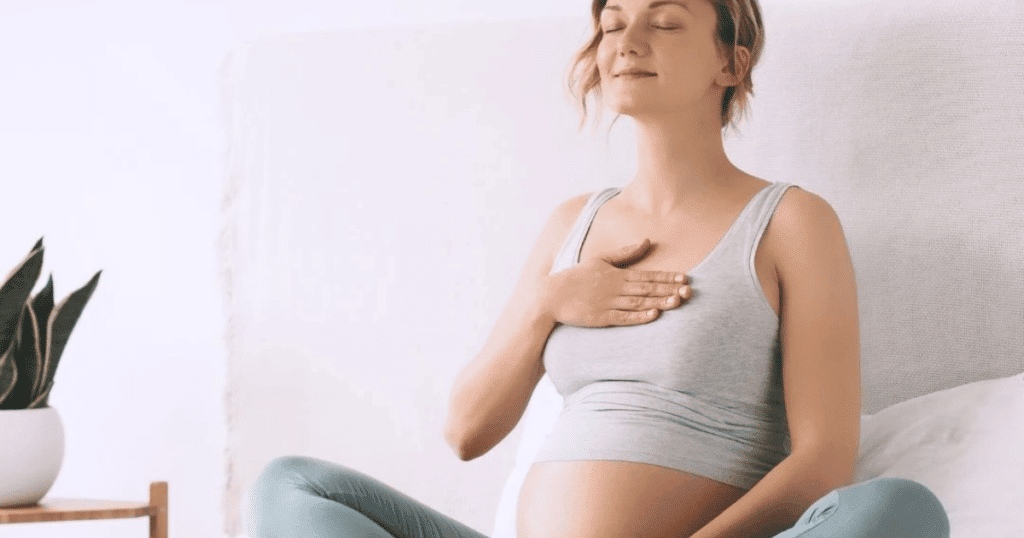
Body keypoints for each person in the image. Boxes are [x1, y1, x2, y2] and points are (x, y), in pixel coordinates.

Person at [245, 0, 951, 537]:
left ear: (730, 63)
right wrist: (546, 304)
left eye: (665, 22)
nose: (627, 41)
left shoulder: (792, 222)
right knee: (294, 484)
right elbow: (466, 432)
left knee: (898, 509)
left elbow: (823, 463)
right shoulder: (571, 224)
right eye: (612, 23)